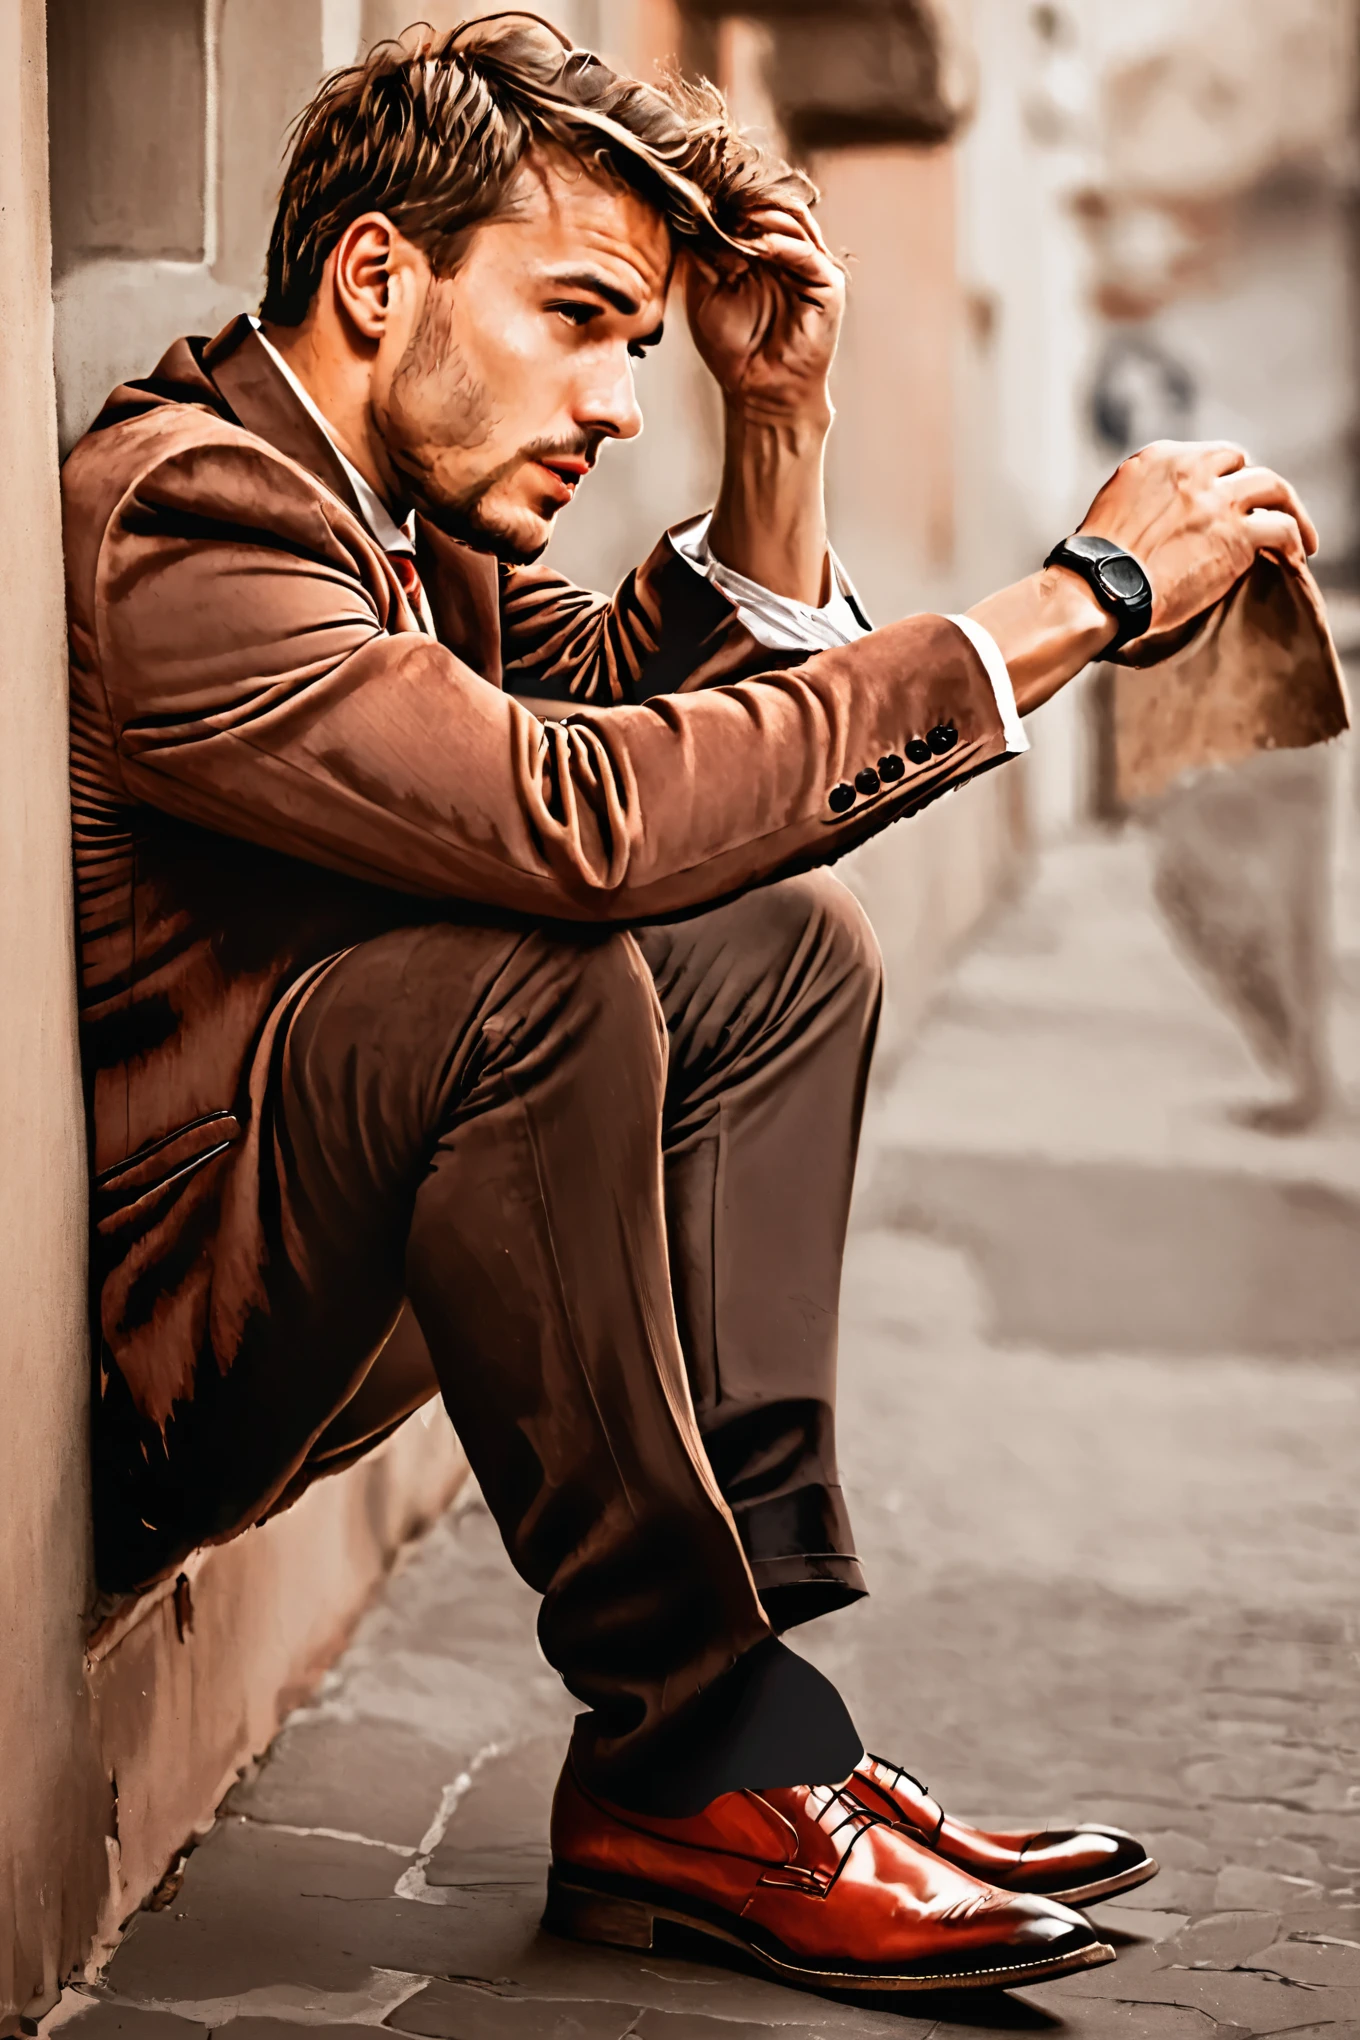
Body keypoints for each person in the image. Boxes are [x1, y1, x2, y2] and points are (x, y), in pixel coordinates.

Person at [63, 12, 1316, 1998]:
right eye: (577, 320)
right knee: (533, 974)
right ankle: (699, 1741)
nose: (614, 403)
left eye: (637, 348)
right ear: (377, 276)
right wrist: (1073, 598)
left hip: (332, 1253)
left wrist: (781, 427)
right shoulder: (193, 520)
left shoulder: (403, 522)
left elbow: (632, 719)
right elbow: (582, 820)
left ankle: (749, 1737)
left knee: (777, 950)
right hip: (166, 1366)